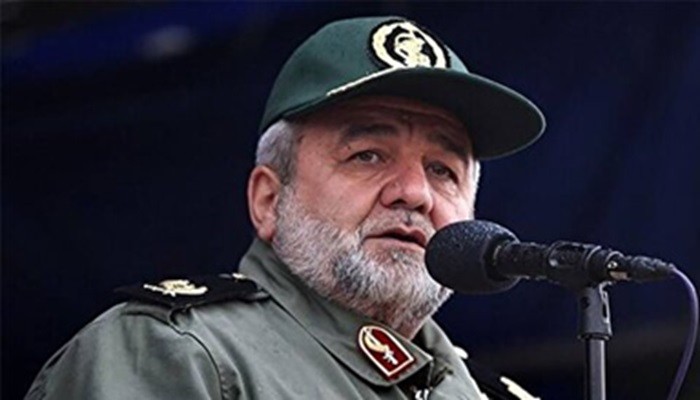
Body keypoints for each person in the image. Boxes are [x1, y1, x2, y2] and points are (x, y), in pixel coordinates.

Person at [25, 16, 545, 400]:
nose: (414, 192)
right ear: (269, 201)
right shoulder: (175, 354)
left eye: (443, 170)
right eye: (367, 155)